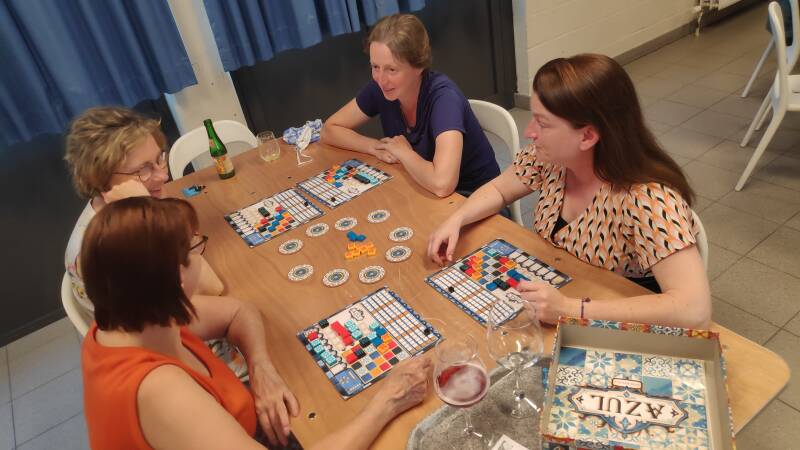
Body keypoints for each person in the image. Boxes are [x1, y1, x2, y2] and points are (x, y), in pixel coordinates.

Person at [81, 197, 432, 450]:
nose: (200, 257)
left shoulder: (136, 317)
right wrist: (388, 400)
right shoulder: (161, 392)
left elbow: (239, 311)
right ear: (174, 276)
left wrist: (260, 366)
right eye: (194, 249)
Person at [427, 54, 711, 330]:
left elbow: (694, 310)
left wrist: (570, 310)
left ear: (587, 136)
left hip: (620, 315)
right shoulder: (550, 159)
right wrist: (457, 219)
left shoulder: (648, 198)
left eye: (543, 123)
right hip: (567, 285)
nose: (529, 132)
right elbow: (500, 190)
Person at [320, 13, 501, 198]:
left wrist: (403, 153)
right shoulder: (381, 88)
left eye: (392, 69)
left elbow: (443, 185)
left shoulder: (444, 99)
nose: (381, 79)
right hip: (425, 189)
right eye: (375, 67)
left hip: (476, 199)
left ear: (419, 66)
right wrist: (373, 146)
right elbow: (329, 129)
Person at [64, 106, 223, 314]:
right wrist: (150, 213)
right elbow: (211, 287)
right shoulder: (109, 243)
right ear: (101, 179)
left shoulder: (119, 209)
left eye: (159, 159)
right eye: (143, 169)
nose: (163, 176)